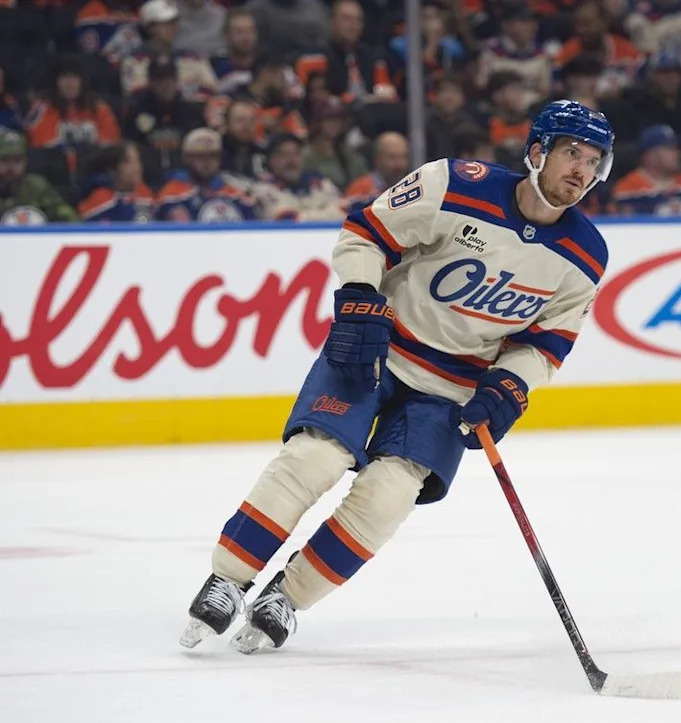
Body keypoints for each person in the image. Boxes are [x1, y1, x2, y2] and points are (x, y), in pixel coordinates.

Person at [179, 99, 615, 654]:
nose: (580, 170)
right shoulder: (456, 184)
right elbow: (366, 233)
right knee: (315, 458)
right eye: (571, 153)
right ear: (537, 152)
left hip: (451, 390)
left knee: (390, 496)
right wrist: (361, 292)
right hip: (377, 352)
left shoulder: (587, 254)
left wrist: (510, 385)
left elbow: (547, 343)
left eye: (593, 159)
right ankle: (228, 577)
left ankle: (287, 597)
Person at [155, 127, 256, 221]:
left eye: (213, 156)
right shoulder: (172, 195)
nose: (207, 162)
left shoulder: (234, 194)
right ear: (186, 158)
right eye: (200, 156)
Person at [0, 129, 79, 225]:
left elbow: (66, 214)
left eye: (17, 161)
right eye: (4, 160)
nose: (11, 167)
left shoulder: (37, 186)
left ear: (25, 161)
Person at [77, 142, 156, 222]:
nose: (136, 167)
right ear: (113, 169)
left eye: (137, 160)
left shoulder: (145, 192)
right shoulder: (100, 197)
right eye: (128, 162)